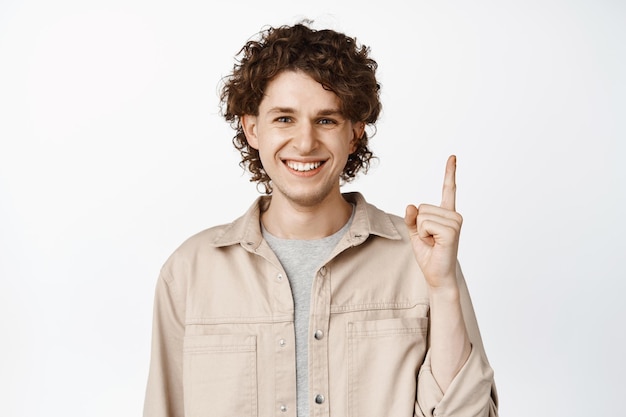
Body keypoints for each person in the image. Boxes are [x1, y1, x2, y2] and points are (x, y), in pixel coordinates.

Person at [143, 21, 498, 417]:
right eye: (284, 119)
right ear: (252, 128)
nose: (306, 142)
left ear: (355, 133)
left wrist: (444, 288)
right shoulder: (189, 272)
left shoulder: (422, 259)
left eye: (326, 120)